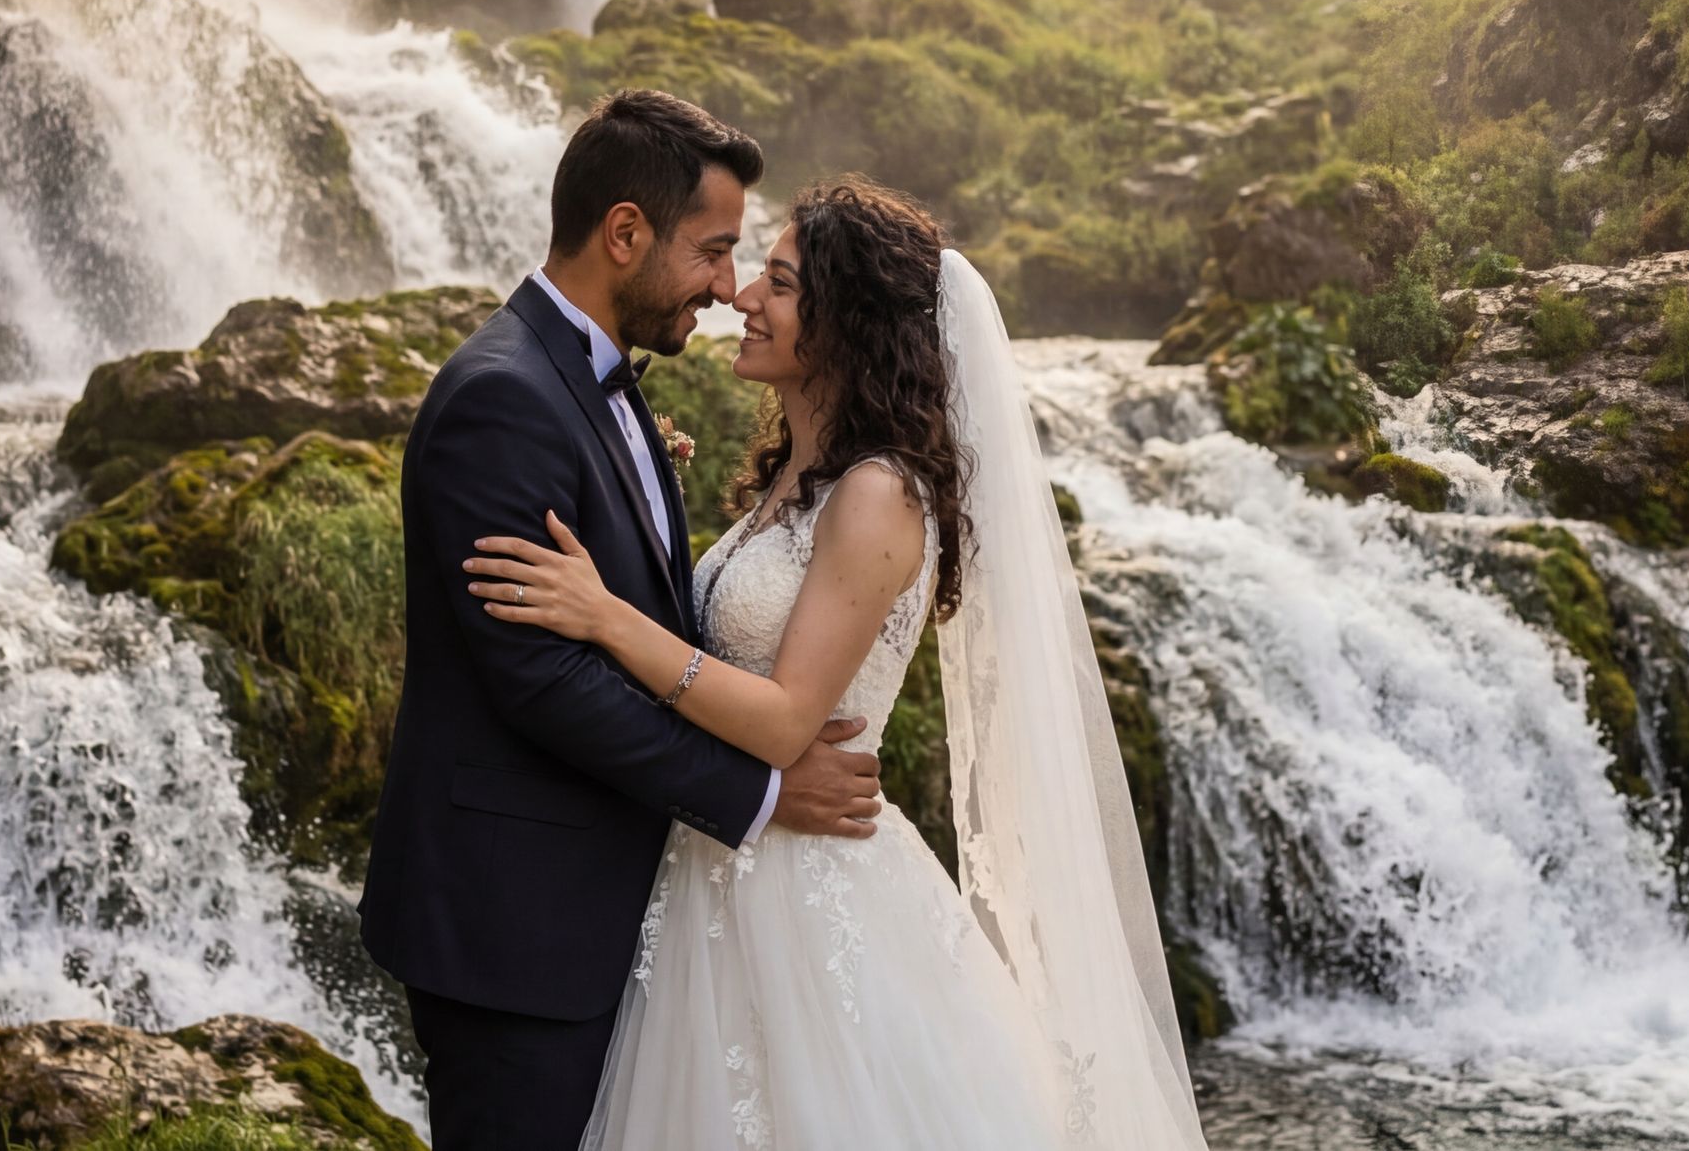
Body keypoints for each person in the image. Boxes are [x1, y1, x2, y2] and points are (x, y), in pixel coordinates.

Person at [462, 175, 1207, 1150]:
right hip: (713, 871)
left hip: (806, 900)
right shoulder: (792, 478)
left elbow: (782, 721)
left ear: (848, 321)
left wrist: (606, 619)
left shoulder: (878, 493)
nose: (741, 298)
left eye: (777, 282)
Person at [359, 92, 889, 1151]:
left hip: (613, 915)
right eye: (715, 252)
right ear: (626, 234)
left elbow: (640, 616)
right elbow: (544, 680)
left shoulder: (597, 383)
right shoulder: (499, 398)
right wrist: (763, 794)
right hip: (517, 932)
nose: (730, 288)